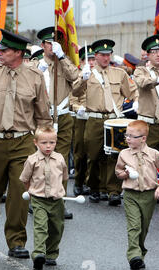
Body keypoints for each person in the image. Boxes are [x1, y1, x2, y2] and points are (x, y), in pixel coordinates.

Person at [0, 29, 52, 258]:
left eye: (4, 50)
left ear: (18, 53)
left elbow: (43, 115)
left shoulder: (35, 77)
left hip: (23, 141)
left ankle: (16, 240)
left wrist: (45, 142)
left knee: (20, 192)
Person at [72, 39, 138, 206]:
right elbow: (75, 92)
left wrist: (136, 101)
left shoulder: (120, 73)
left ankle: (113, 191)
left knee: (114, 157)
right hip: (94, 119)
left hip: (115, 119)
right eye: (102, 55)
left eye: (108, 54)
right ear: (95, 56)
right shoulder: (87, 73)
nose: (105, 58)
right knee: (93, 156)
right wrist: (83, 79)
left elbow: (132, 92)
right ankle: (94, 187)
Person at [36, 26, 79, 219]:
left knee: (60, 161)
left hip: (63, 116)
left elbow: (75, 78)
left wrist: (62, 57)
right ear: (42, 45)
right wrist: (38, 71)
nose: (52, 47)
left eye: (55, 43)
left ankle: (60, 201)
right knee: (40, 160)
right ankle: (37, 199)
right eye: (48, 43)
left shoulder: (64, 62)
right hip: (43, 117)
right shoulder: (36, 64)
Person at [115, 120, 159, 270]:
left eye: (132, 136)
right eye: (126, 135)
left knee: (143, 227)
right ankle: (133, 256)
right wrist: (126, 173)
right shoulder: (123, 154)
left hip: (149, 195)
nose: (128, 138)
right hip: (130, 194)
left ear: (143, 138)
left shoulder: (154, 154)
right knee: (134, 226)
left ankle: (140, 253)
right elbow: (118, 173)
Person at [19, 125, 68, 270]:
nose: (48, 146)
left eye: (52, 143)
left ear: (56, 142)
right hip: (39, 199)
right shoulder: (32, 160)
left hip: (57, 200)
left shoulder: (59, 159)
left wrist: (60, 192)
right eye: (44, 143)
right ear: (36, 143)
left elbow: (64, 178)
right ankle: (39, 254)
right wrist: (31, 192)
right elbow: (25, 179)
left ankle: (51, 254)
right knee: (41, 226)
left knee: (56, 228)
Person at [132, 34, 159, 221]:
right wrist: (158, 80)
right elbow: (143, 84)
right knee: (147, 167)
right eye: (155, 52)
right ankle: (145, 203)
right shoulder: (140, 71)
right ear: (148, 55)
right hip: (149, 127)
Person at [69, 46, 95, 196]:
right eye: (88, 60)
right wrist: (78, 107)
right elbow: (72, 99)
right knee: (80, 153)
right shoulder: (77, 76)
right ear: (82, 61)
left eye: (93, 59)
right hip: (82, 118)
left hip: (96, 117)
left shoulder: (100, 76)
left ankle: (91, 183)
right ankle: (78, 182)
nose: (91, 62)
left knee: (96, 153)